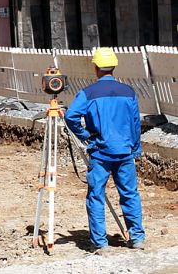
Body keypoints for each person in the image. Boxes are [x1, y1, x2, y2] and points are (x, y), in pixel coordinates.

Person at [64, 48, 145, 254]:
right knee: (130, 194)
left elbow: (71, 116)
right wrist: (134, 148)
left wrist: (84, 135)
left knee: (96, 196)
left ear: (96, 67)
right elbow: (136, 124)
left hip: (100, 152)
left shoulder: (88, 93)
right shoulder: (129, 91)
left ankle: (100, 243)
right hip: (125, 152)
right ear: (114, 66)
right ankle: (137, 238)